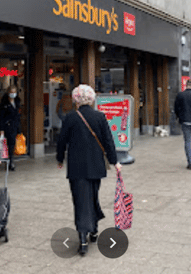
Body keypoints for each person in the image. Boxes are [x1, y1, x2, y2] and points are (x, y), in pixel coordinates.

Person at [56, 84, 121, 256]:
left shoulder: (70, 117)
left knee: (80, 199)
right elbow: (108, 141)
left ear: (75, 99)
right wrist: (115, 162)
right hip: (95, 166)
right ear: (92, 99)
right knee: (92, 195)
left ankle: (83, 237)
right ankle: (93, 229)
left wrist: (59, 158)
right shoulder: (99, 117)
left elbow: (62, 141)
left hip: (76, 167)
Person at [0, 85, 21, 171]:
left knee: (12, 145)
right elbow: (1, 117)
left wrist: (19, 129)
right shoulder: (4, 104)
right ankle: (10, 162)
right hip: (7, 126)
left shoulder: (17, 102)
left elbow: (18, 115)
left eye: (14, 92)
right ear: (8, 93)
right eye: (11, 92)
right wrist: (1, 129)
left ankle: (11, 161)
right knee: (9, 145)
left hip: (15, 126)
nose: (13, 94)